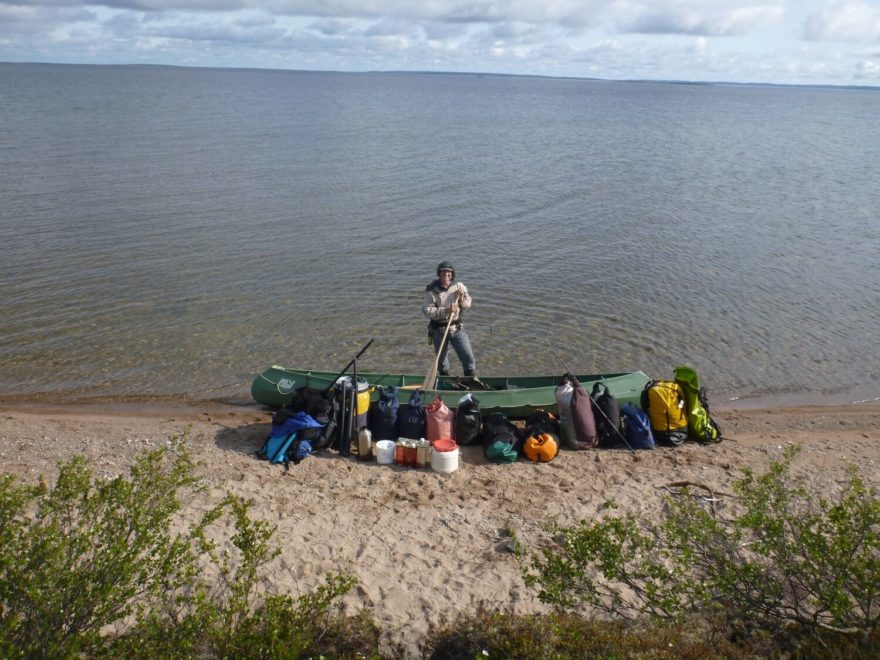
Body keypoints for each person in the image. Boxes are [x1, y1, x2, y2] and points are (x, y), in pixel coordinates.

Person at [422, 261, 477, 377]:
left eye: (448, 274)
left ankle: (470, 380)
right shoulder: (431, 290)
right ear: (439, 275)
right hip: (438, 330)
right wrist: (446, 310)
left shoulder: (459, 286)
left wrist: (461, 299)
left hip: (457, 328)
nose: (445, 277)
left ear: (452, 275)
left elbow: (467, 305)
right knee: (442, 363)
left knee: (468, 358)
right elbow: (427, 311)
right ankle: (445, 381)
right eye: (443, 274)